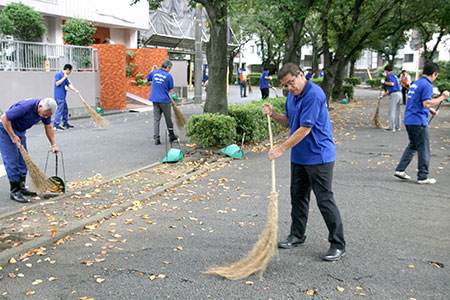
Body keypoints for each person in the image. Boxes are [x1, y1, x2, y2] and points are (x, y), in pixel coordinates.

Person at [262, 63, 346, 261]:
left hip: (319, 155)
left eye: (291, 83)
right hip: (299, 156)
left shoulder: (314, 94)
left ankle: (338, 244)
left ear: (301, 75)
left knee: (324, 199)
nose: (290, 88)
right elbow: (290, 122)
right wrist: (274, 114)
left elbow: (304, 129)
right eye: (285, 86)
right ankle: (297, 235)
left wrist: (281, 148)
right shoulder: (292, 95)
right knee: (298, 197)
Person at [394, 62, 449, 184]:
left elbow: (418, 102)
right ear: (434, 74)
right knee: (423, 148)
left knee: (413, 146)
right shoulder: (427, 85)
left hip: (410, 120)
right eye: (436, 75)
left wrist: (431, 110)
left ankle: (400, 169)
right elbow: (426, 103)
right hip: (419, 121)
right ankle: (423, 176)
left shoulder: (416, 83)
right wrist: (442, 97)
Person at [0, 98, 59, 203]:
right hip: (5, 129)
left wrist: (53, 145)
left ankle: (21, 188)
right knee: (12, 160)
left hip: (20, 131)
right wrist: (12, 135)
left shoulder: (46, 111)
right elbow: (4, 118)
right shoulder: (25, 107)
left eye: (47, 116)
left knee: (23, 160)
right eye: (44, 114)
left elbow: (49, 127)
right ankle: (15, 191)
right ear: (40, 106)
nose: (45, 117)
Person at [146, 60, 178, 145]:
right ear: (167, 67)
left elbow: (147, 79)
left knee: (156, 119)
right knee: (168, 118)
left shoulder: (154, 73)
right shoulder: (168, 76)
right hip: (164, 100)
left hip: (155, 99)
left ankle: (156, 139)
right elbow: (170, 89)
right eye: (170, 68)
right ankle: (171, 136)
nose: (170, 69)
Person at [53, 64, 79, 131]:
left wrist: (75, 90)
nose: (70, 72)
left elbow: (69, 84)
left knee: (65, 110)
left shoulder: (65, 77)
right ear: (67, 69)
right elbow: (57, 83)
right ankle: (56, 125)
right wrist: (64, 78)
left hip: (63, 96)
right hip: (59, 96)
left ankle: (65, 123)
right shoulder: (59, 74)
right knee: (60, 110)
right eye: (70, 71)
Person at [382, 65, 402, 132]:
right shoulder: (394, 76)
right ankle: (397, 127)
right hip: (399, 94)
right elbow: (389, 90)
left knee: (392, 111)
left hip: (394, 95)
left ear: (387, 70)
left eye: (385, 71)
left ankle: (391, 127)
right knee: (397, 111)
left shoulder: (390, 76)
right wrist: (382, 96)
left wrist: (384, 82)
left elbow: (392, 84)